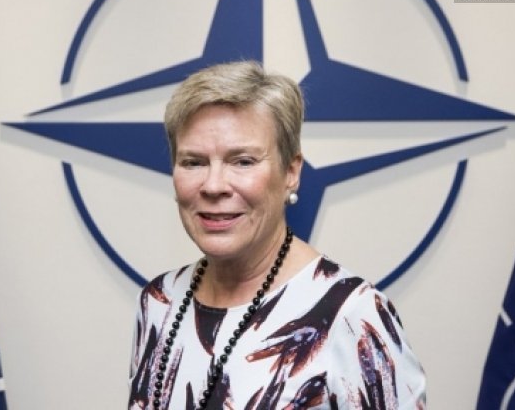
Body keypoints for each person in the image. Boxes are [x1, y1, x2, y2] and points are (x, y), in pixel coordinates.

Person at [128, 61, 426, 409]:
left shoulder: (351, 316)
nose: (213, 185)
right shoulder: (159, 303)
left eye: (242, 161)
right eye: (194, 162)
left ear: (291, 172)